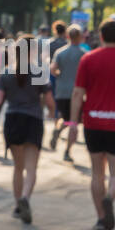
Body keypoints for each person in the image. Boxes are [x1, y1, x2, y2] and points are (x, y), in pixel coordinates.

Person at [70, 19, 115, 230]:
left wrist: (73, 122)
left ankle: (101, 217)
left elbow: (77, 93)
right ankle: (109, 198)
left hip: (93, 123)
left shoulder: (88, 59)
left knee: (97, 173)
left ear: (100, 36)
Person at [0, 35, 56, 224]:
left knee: (18, 167)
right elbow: (49, 101)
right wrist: (52, 112)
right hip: (33, 120)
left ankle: (17, 205)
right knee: (31, 168)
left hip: (13, 120)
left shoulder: (7, 73)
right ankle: (25, 197)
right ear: (34, 51)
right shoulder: (39, 72)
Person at [49, 24, 88, 161]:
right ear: (80, 37)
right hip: (77, 91)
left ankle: (58, 129)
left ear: (68, 36)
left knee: (63, 116)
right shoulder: (84, 55)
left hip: (61, 89)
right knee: (74, 122)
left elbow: (52, 69)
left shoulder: (60, 52)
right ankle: (67, 151)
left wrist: (60, 75)